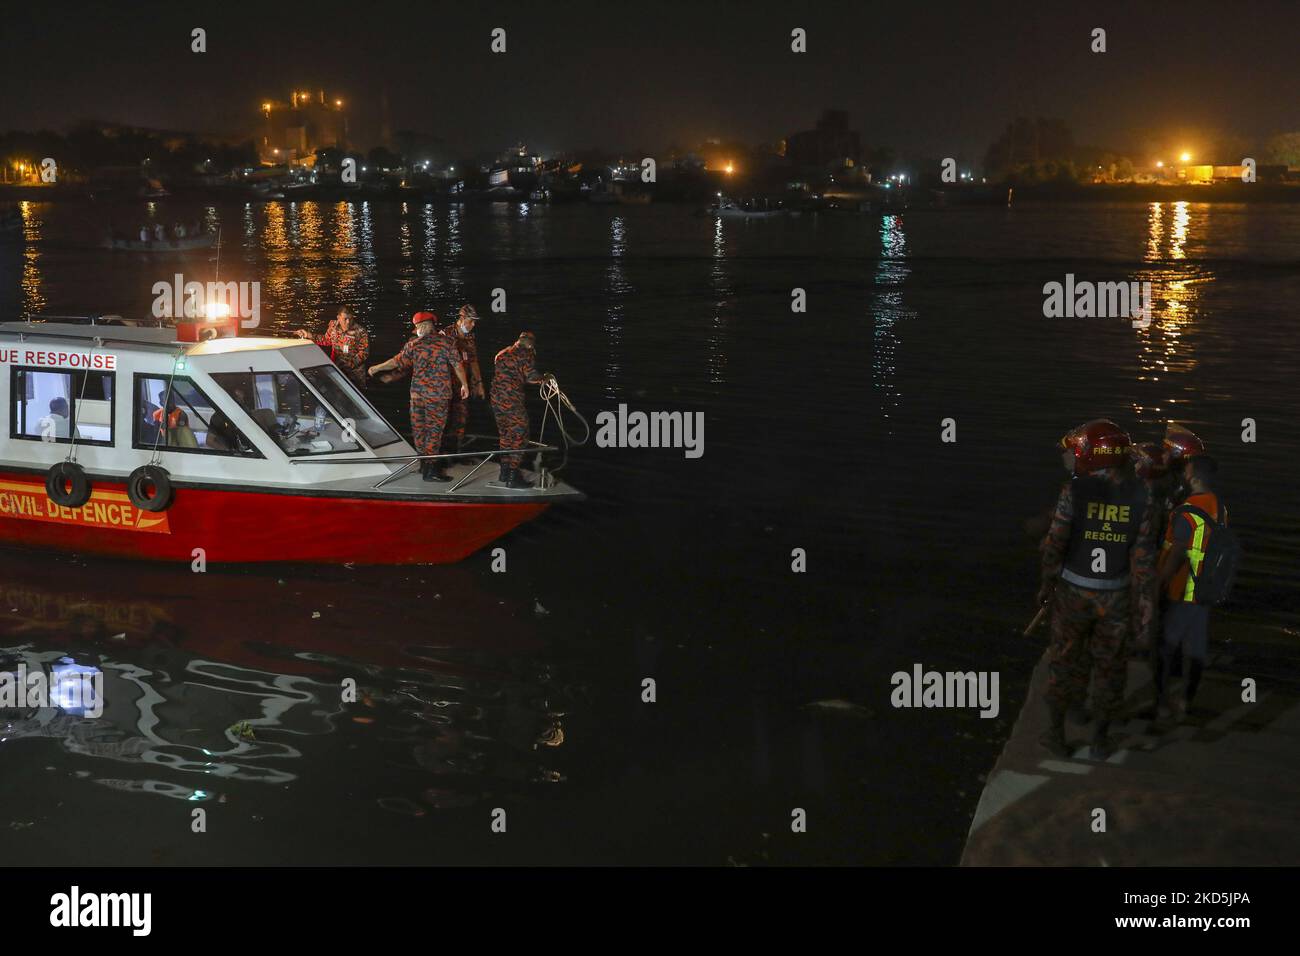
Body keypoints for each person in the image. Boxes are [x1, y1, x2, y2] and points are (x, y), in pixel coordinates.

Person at [1037, 419, 1156, 759]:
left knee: (1064, 662)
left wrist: (1046, 585)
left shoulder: (1074, 491)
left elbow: (1055, 544)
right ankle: (1101, 740)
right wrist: (1145, 610)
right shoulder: (1143, 496)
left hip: (1073, 593)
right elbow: (1143, 559)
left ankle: (1056, 736)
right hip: (1116, 596)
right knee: (1111, 667)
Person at [1154, 453, 1225, 721]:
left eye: (1187, 472)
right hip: (1207, 589)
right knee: (1196, 649)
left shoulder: (1188, 510)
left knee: (1165, 646)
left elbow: (1179, 550)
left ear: (1194, 478)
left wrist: (1160, 581)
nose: (1184, 476)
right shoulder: (1219, 506)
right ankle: (1185, 701)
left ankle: (1161, 704)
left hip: (1184, 589)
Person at [368, 312, 468, 482]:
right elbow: (457, 365)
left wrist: (377, 368)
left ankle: (424, 465)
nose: (416, 329)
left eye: (417, 326)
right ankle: (430, 470)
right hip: (438, 396)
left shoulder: (413, 345)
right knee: (434, 432)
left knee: (419, 431)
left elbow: (396, 361)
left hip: (417, 396)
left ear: (425, 326)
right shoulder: (447, 343)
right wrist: (465, 384)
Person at [490, 331, 544, 489]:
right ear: (530, 344)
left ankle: (504, 471)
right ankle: (513, 476)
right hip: (512, 400)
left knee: (505, 434)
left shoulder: (502, 353)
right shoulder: (525, 354)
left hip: (496, 399)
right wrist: (544, 378)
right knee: (520, 433)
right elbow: (531, 376)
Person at [439, 304, 486, 453]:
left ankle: (456, 452)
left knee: (461, 419)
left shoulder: (470, 336)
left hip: (462, 386)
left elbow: (473, 360)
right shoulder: (445, 334)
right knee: (443, 420)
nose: (473, 325)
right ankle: (440, 456)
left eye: (474, 322)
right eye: (471, 321)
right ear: (462, 318)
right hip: (445, 386)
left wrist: (479, 383)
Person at [295, 307, 371, 390]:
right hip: (336, 371)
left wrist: (348, 365)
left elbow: (364, 353)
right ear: (338, 317)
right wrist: (308, 335)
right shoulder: (333, 326)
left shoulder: (361, 331)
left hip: (354, 375)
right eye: (345, 319)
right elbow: (326, 340)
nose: (348, 322)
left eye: (350, 319)